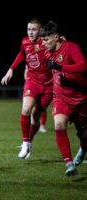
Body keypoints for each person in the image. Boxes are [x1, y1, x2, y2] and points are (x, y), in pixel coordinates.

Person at [1, 19, 53, 159]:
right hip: (32, 81)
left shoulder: (47, 42)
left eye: (34, 29)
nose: (30, 32)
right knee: (25, 109)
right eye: (28, 29)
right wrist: (11, 69)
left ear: (41, 30)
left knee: (35, 119)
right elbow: (21, 54)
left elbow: (61, 51)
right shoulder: (25, 42)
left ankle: (29, 141)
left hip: (49, 85)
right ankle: (25, 143)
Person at [41, 20, 87, 176]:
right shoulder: (48, 51)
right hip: (61, 98)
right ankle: (68, 162)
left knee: (84, 135)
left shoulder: (71, 47)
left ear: (56, 37)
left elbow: (83, 66)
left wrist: (61, 68)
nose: (44, 43)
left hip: (81, 97)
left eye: (46, 40)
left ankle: (82, 150)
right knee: (59, 124)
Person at [24, 66, 48, 133]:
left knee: (41, 106)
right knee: (28, 107)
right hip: (32, 85)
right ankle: (32, 125)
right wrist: (29, 82)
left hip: (42, 86)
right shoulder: (30, 58)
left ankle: (42, 125)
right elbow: (26, 72)